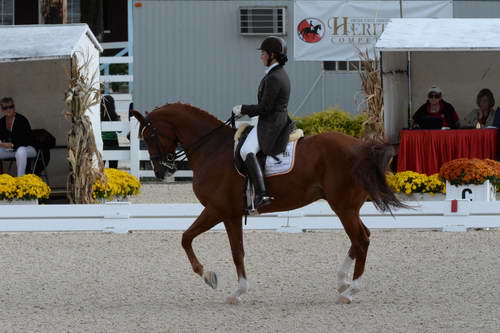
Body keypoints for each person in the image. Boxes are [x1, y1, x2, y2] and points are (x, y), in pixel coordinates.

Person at [232, 36, 295, 210]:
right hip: (272, 120)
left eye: (263, 53)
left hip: (272, 124)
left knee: (246, 150)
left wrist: (243, 108)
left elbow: (265, 108)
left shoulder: (274, 78)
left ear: (272, 55)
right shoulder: (276, 74)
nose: (261, 56)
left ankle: (262, 193)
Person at [0, 97, 37, 176]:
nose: (8, 109)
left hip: (28, 148)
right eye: (5, 108)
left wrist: (12, 144)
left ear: (14, 107)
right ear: (2, 110)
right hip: (11, 150)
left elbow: (26, 140)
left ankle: (21, 180)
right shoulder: (1, 121)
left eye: (11, 107)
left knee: (21, 151)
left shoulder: (21, 120)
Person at [101, 94, 120, 168]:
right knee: (113, 166)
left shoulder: (99, 116)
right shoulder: (114, 116)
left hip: (102, 141)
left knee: (101, 166)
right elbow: (119, 131)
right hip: (113, 141)